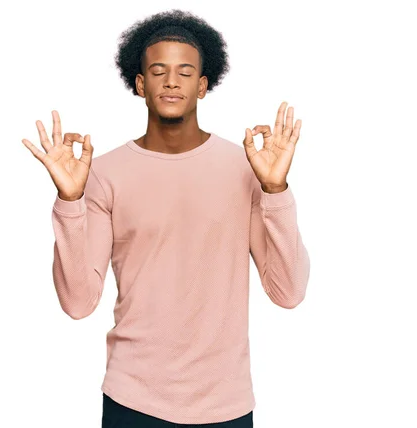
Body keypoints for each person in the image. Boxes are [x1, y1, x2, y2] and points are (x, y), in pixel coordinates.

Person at [22, 8, 310, 428]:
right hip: (133, 398)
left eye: (185, 72)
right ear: (140, 84)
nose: (171, 81)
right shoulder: (103, 173)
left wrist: (275, 191)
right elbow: (78, 302)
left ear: (203, 86)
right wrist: (70, 200)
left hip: (224, 404)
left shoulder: (245, 167)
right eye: (158, 71)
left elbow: (288, 292)